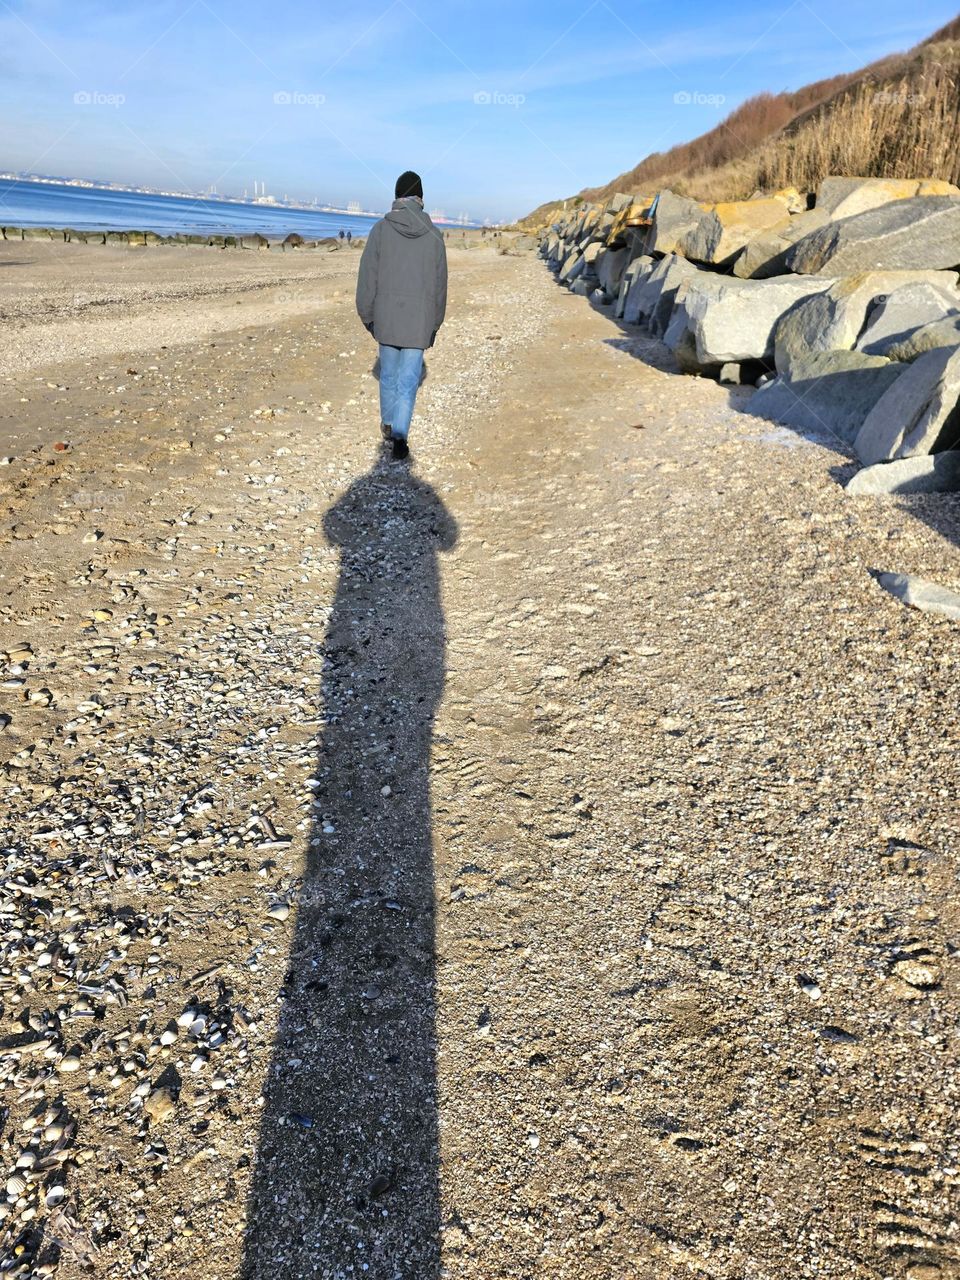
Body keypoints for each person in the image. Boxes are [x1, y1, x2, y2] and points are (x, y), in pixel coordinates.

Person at [356, 170, 447, 461]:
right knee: (408, 381)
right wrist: (435, 322)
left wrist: (367, 315)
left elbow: (367, 278)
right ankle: (400, 437)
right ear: (420, 198)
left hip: (386, 316)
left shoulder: (381, 230)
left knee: (388, 376)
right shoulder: (434, 234)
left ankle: (388, 424)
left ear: (397, 196)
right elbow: (440, 284)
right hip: (419, 320)